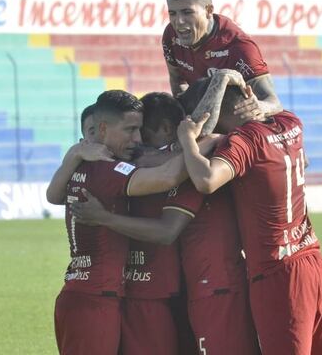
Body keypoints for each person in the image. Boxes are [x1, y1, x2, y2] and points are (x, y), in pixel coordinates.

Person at [73, 92, 260, 355]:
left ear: (166, 129)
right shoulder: (122, 163)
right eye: (131, 131)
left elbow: (167, 227)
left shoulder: (191, 170)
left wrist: (198, 143)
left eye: (143, 134)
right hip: (140, 292)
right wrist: (75, 152)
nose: (138, 143)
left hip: (185, 290)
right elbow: (54, 194)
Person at [176, 76, 322, 355]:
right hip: (313, 260)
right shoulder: (290, 122)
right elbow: (304, 159)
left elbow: (206, 180)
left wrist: (188, 140)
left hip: (278, 274)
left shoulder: (245, 141)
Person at [50, 90, 211, 355]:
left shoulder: (81, 164)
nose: (138, 139)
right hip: (95, 298)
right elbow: (168, 176)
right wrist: (200, 142)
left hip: (85, 292)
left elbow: (52, 195)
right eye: (130, 130)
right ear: (102, 130)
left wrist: (75, 152)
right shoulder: (107, 169)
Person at [163, 0, 283, 135]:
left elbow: (274, 102)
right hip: (203, 124)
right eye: (173, 13)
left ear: (208, 10)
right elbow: (177, 82)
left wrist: (259, 107)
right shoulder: (170, 35)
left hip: (241, 131)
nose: (179, 22)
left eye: (187, 12)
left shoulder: (239, 47)